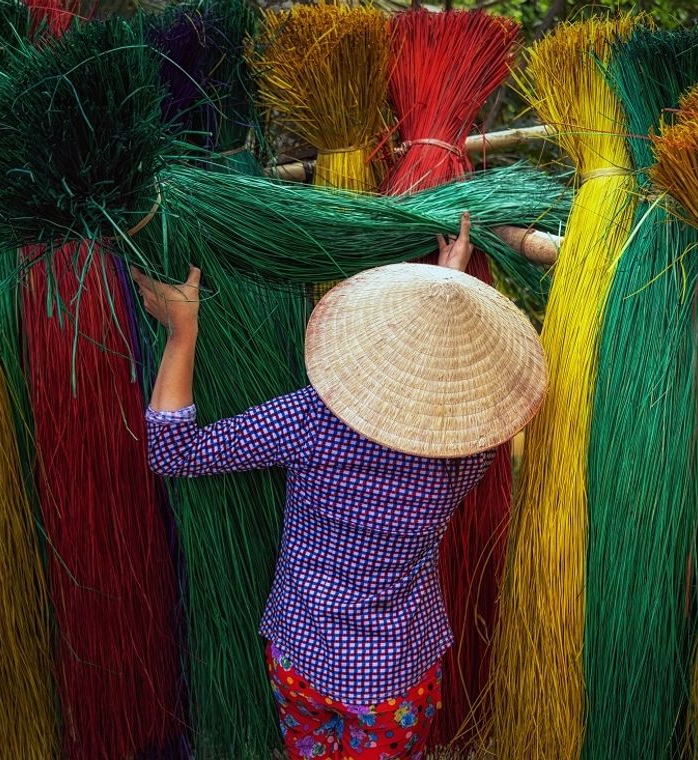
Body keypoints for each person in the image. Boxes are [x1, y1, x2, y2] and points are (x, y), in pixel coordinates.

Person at [132, 212, 546, 760]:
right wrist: (448, 290)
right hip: (394, 679)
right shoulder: (467, 451)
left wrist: (182, 332)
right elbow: (458, 410)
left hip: (299, 656)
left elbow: (174, 451)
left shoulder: (313, 418)